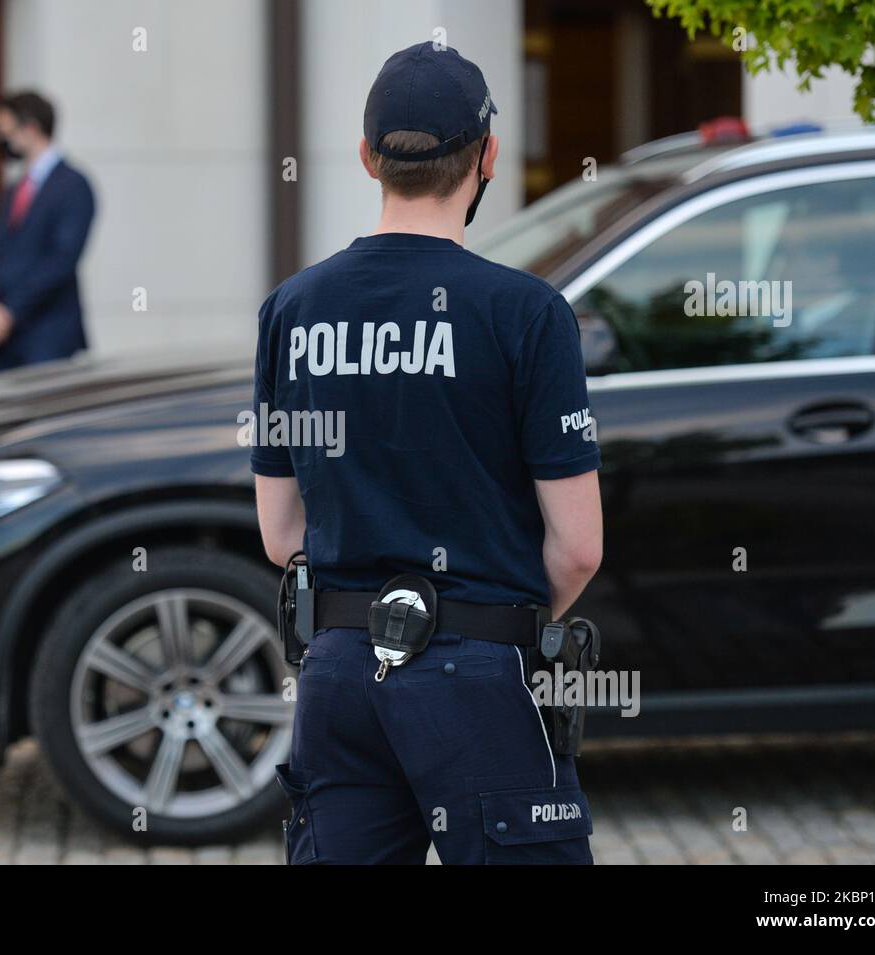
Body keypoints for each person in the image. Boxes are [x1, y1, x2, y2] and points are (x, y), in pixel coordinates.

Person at [252, 42, 604, 864]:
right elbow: (579, 545)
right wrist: (491, 628)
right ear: (487, 156)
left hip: (338, 674)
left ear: (368, 155)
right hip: (481, 676)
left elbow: (280, 533)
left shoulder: (292, 310)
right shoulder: (527, 313)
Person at [0, 90, 95, 371]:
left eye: (7, 132)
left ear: (30, 128)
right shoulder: (15, 190)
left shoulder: (73, 185)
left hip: (47, 336)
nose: (3, 142)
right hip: (5, 341)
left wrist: (10, 311)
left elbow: (61, 260)